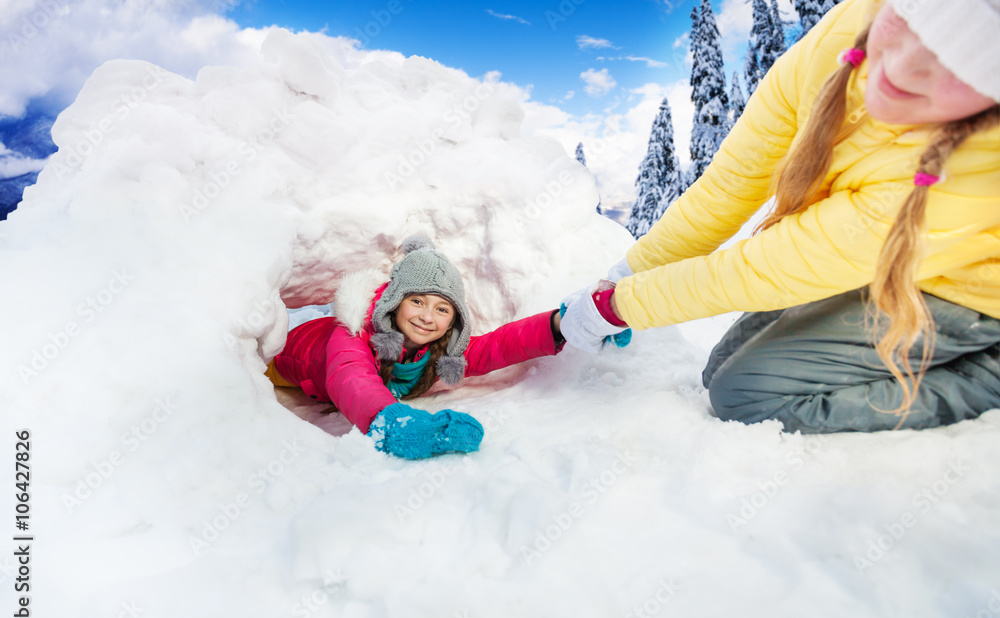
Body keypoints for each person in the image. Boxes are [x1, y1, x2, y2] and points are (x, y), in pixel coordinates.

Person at [560, 0, 1000, 433]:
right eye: (907, 20)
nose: (903, 68)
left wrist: (616, 307)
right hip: (876, 262)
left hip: (965, 289)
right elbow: (728, 187)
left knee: (745, 393)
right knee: (719, 367)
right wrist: (625, 275)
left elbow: (770, 267)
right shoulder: (838, 37)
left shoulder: (978, 167)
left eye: (964, 65)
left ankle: (987, 377)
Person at [266, 236, 565, 458]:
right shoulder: (353, 331)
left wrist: (559, 324)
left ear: (453, 321)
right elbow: (351, 377)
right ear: (395, 302)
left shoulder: (442, 351)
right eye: (417, 301)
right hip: (284, 358)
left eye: (442, 309)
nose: (426, 317)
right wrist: (396, 424)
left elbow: (497, 346)